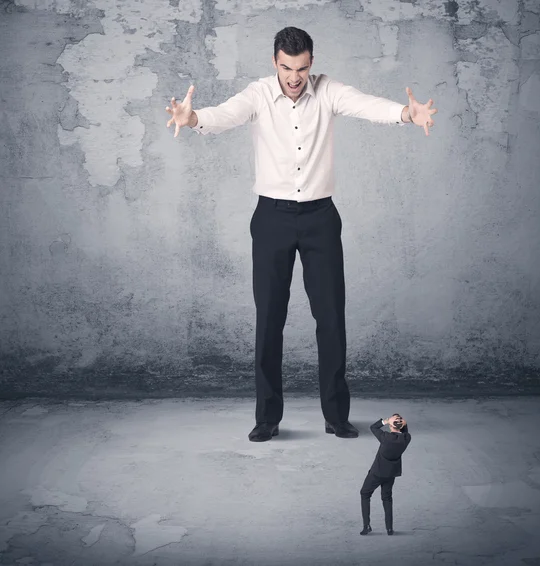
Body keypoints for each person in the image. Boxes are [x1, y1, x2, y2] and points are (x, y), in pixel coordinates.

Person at [165, 27, 437, 443]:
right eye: (287, 68)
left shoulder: (326, 91)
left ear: (312, 64)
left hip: (320, 218)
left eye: (303, 68)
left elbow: (366, 105)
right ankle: (267, 418)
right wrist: (194, 117)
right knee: (269, 320)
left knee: (330, 318)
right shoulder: (258, 94)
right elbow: (224, 115)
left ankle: (336, 415)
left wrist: (407, 113)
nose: (295, 77)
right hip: (271, 218)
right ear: (274, 62)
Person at [360, 414, 411, 535]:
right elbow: (404, 431)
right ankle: (389, 528)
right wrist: (403, 423)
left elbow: (373, 427)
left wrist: (386, 420)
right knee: (387, 498)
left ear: (391, 426)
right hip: (391, 474)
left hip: (377, 473)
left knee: (365, 494)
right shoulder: (406, 438)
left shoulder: (385, 437)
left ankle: (366, 525)